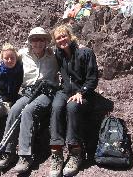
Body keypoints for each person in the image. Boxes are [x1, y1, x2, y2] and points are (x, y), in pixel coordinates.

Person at [0, 27, 59, 174]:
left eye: (42, 39)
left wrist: (78, 45)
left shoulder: (53, 55)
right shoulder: (22, 54)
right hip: (29, 91)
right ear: (30, 41)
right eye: (35, 39)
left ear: (46, 42)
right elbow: (7, 57)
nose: (38, 43)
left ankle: (25, 155)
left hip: (46, 93)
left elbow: (68, 52)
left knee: (28, 111)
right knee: (15, 109)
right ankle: (8, 152)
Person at [49, 24, 98, 177]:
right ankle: (56, 152)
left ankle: (75, 151)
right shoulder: (58, 53)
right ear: (55, 41)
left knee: (72, 107)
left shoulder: (86, 52)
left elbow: (92, 79)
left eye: (64, 36)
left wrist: (81, 92)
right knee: (56, 107)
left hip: (83, 92)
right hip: (64, 91)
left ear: (70, 36)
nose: (62, 40)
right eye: (58, 38)